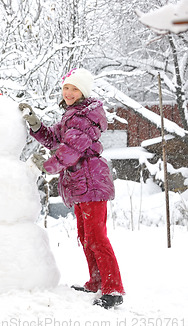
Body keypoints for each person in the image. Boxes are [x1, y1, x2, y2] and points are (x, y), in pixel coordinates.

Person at [20, 68, 125, 309]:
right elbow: (53, 139)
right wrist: (35, 123)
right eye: (66, 87)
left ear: (83, 92)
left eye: (74, 88)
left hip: (91, 184)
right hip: (81, 184)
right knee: (86, 237)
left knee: (97, 238)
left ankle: (113, 288)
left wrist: (46, 166)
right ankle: (96, 281)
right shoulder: (72, 115)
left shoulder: (83, 118)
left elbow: (69, 152)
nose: (68, 92)